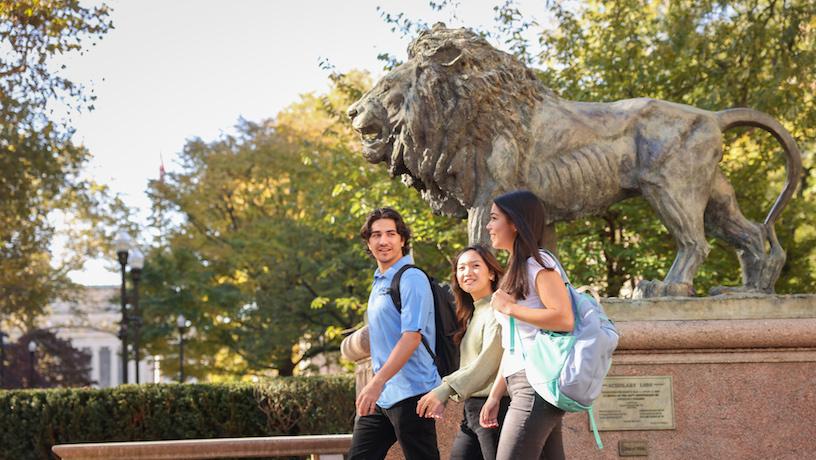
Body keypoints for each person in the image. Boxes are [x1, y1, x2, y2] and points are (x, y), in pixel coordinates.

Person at [479, 190, 574, 460]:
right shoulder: (517, 268)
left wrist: (510, 308)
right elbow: (513, 344)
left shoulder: (539, 264)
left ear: (516, 224)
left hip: (535, 384)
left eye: (494, 218)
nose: (488, 225)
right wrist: (496, 395)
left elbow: (564, 318)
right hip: (523, 381)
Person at [348, 207, 441, 460]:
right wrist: (379, 385)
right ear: (368, 242)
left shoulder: (411, 278)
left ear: (402, 239)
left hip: (413, 392)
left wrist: (375, 383)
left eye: (390, 233)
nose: (383, 241)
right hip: (384, 395)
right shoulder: (379, 280)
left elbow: (412, 337)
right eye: (376, 235)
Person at [416, 245, 511, 460]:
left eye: (475, 266)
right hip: (472, 411)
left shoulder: (498, 310)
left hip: (493, 408)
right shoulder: (474, 313)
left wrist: (445, 390)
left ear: (492, 273)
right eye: (461, 268)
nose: (467, 272)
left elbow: (488, 362)